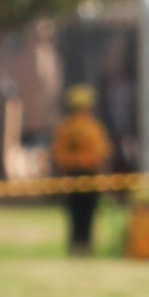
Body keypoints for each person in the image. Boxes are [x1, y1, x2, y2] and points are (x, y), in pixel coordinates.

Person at [50, 84, 113, 256]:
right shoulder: (92, 127)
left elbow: (57, 156)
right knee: (88, 213)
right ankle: (86, 246)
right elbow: (101, 156)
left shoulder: (64, 127)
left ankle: (74, 245)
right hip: (89, 174)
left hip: (70, 175)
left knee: (73, 213)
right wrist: (104, 180)